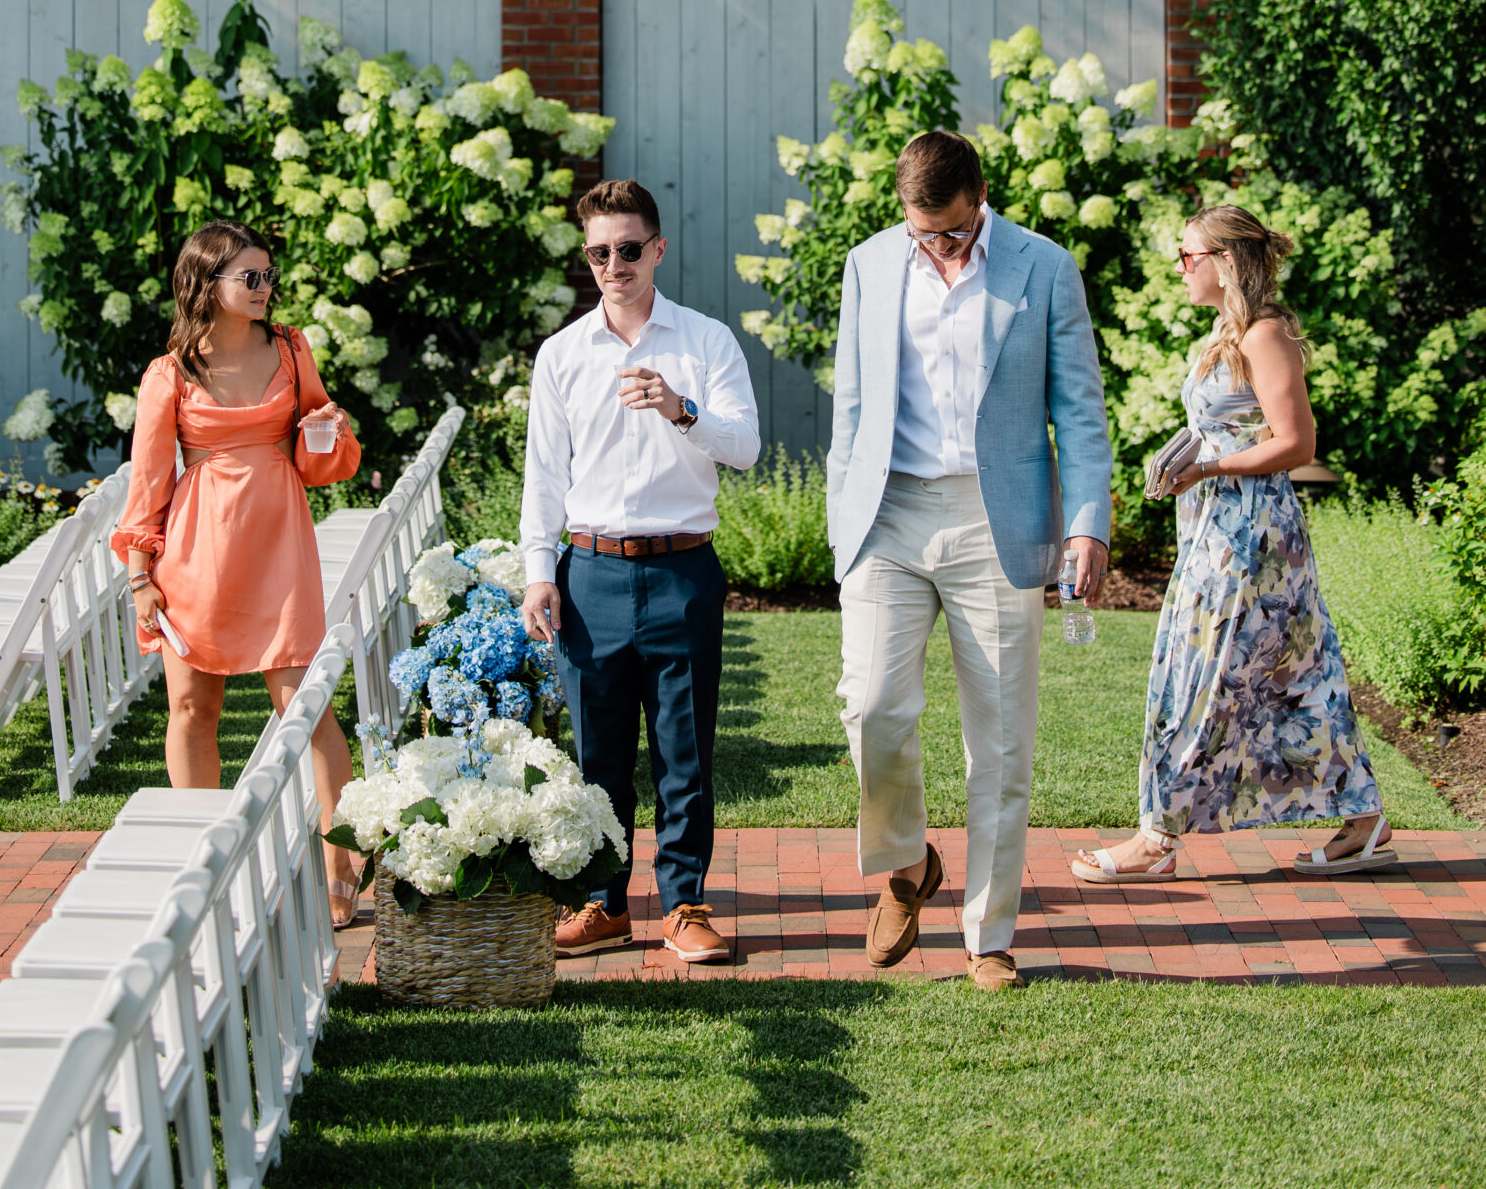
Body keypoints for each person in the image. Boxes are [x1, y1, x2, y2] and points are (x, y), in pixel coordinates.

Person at [829, 128, 1112, 992]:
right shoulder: (869, 265)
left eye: (952, 231)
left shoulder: (1042, 265)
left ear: (978, 196)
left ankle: (988, 937)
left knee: (999, 745)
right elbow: (849, 402)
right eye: (924, 234)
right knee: (872, 705)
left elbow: (1080, 407)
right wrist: (842, 521)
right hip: (889, 514)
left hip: (1000, 522)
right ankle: (907, 864)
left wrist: (1089, 523)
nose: (939, 247)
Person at [1072, 205, 1393, 885]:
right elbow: (1229, 426)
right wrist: (1188, 455)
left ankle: (1155, 836)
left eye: (1187, 256)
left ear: (1224, 261)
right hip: (1216, 530)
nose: (1179, 268)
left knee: (1202, 676)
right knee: (1288, 675)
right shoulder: (1228, 331)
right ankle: (1363, 822)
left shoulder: (1264, 333)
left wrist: (1209, 467)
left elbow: (1296, 443)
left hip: (1250, 539)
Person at [520, 177, 761, 963]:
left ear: (657, 249)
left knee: (683, 751)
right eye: (598, 253)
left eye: (628, 249)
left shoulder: (705, 341)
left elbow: (747, 448)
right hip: (589, 571)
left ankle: (684, 903)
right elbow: (543, 477)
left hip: (683, 567)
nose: (614, 265)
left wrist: (680, 408)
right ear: (584, 259)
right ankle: (601, 900)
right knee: (598, 754)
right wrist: (537, 570)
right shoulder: (561, 354)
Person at [112, 218, 365, 925]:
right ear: (207, 283)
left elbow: (321, 455)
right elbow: (148, 481)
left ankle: (339, 859)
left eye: (268, 275)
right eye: (248, 277)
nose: (264, 287)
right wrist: (140, 575)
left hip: (279, 542)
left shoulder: (290, 348)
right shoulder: (169, 373)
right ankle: (202, 862)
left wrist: (330, 430)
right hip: (196, 549)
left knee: (305, 706)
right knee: (194, 709)